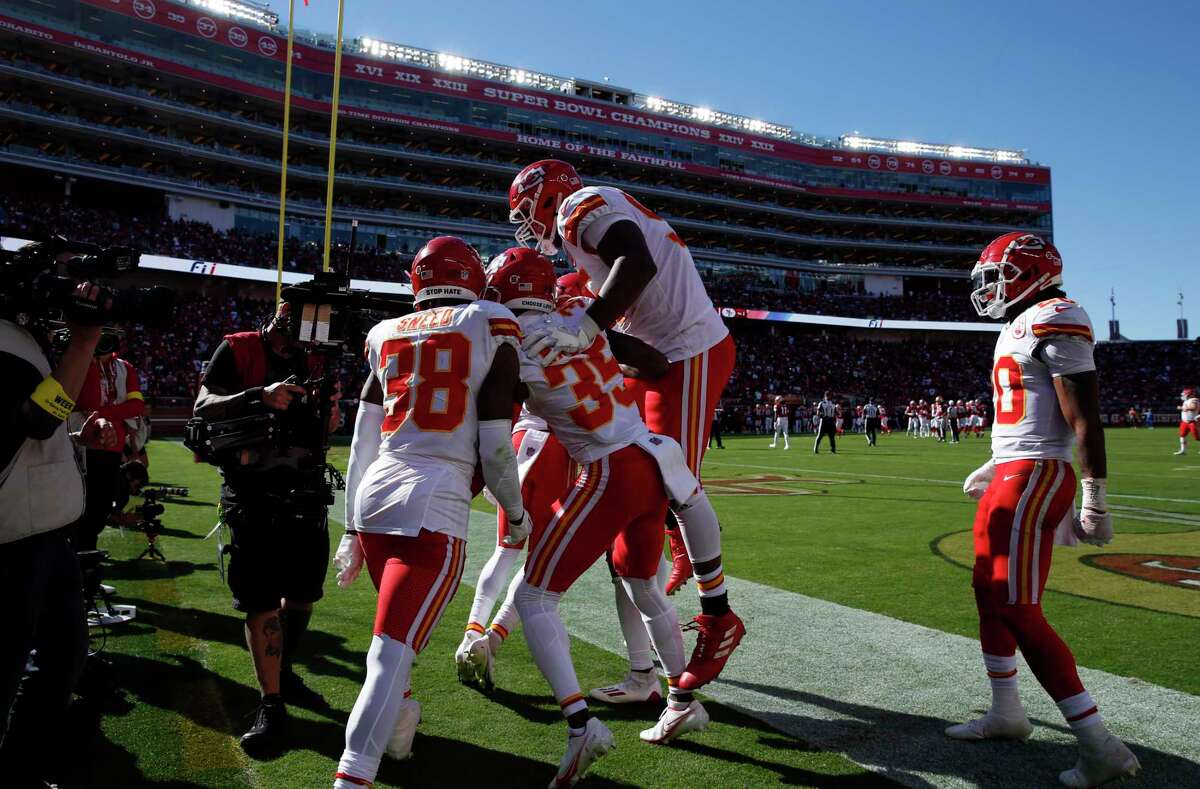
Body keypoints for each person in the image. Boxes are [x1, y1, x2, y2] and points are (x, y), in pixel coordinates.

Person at [509, 160, 744, 692]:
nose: (528, 225)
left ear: (548, 197)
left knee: (666, 475)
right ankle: (646, 674)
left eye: (528, 211)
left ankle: (718, 612)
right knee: (630, 522)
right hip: (662, 355)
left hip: (690, 347)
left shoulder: (580, 206)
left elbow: (636, 262)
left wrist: (587, 324)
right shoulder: (576, 244)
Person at [488, 251, 721, 783]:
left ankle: (580, 727)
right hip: (656, 460)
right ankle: (682, 699)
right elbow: (656, 364)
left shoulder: (508, 339)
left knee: (534, 596)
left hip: (610, 468)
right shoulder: (579, 322)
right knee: (643, 584)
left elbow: (499, 416)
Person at [331, 237, 527, 788]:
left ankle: (400, 726)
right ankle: (353, 777)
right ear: (474, 278)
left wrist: (349, 528)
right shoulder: (490, 320)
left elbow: (360, 442)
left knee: (392, 642)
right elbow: (493, 440)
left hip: (373, 500)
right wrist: (514, 511)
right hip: (432, 507)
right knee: (388, 656)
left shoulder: (384, 333)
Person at [953, 232, 1139, 787]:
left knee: (1016, 605)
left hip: (1034, 475)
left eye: (998, 276)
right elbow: (1026, 410)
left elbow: (1083, 417)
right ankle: (1007, 712)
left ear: (1031, 271)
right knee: (989, 594)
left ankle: (1099, 744)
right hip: (1012, 471)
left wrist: (1095, 496)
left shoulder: (1058, 314)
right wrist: (995, 460)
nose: (989, 289)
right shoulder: (1019, 324)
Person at [193, 299, 341, 753]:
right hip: (252, 486)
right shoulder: (238, 349)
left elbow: (330, 420)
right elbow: (203, 404)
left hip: (306, 486)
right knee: (260, 597)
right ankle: (270, 701)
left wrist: (331, 415)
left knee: (302, 593)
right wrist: (259, 396)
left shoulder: (321, 356)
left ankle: (285, 670)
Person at [1, 277, 117, 787]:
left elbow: (23, 433)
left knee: (65, 657)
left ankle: (22, 767)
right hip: (13, 538)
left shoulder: (20, 338)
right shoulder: (5, 341)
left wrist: (76, 434)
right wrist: (85, 340)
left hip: (43, 532)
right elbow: (33, 421)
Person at [70, 333, 145, 551]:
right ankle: (79, 564)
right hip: (83, 445)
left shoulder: (125, 367)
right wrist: (92, 362)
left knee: (100, 509)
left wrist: (102, 413)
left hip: (112, 447)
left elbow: (137, 406)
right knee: (79, 508)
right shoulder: (80, 362)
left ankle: (88, 565)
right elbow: (89, 402)